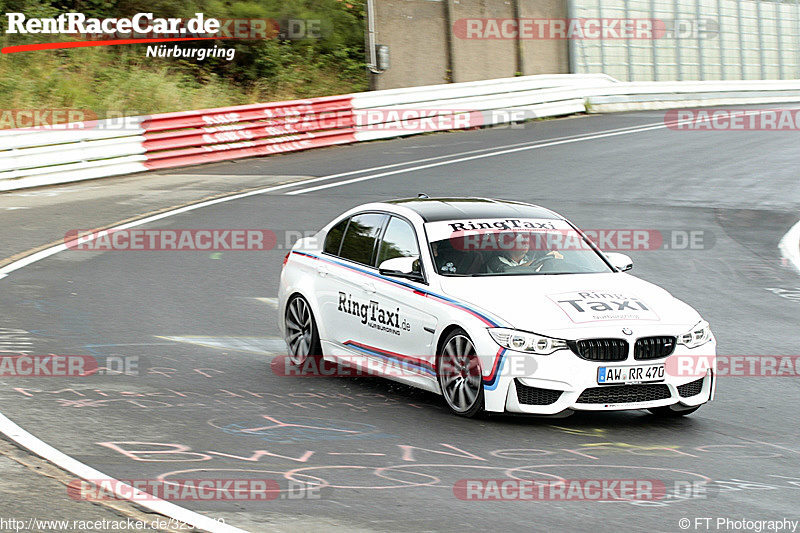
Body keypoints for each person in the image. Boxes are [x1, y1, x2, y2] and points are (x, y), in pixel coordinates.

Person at [485, 232, 563, 273]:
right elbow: (508, 272)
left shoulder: (530, 259)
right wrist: (540, 261)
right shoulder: (495, 261)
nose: (525, 240)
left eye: (527, 237)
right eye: (520, 237)